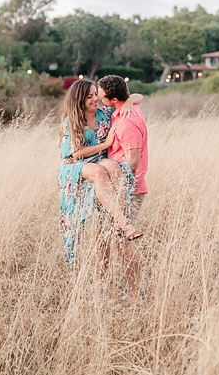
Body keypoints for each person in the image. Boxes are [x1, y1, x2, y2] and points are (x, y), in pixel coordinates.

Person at [58, 80, 144, 268]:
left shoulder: (105, 114)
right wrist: (105, 145)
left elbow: (138, 97)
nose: (95, 99)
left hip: (99, 161)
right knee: (98, 170)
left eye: (95, 94)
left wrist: (129, 101)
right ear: (79, 99)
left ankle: (117, 218)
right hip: (76, 165)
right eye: (89, 97)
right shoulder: (71, 122)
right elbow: (76, 153)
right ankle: (123, 221)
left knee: (113, 166)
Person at [97, 75, 150, 224]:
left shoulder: (127, 122)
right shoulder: (128, 108)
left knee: (122, 237)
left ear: (114, 100)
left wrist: (117, 190)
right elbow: (138, 96)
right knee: (112, 236)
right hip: (118, 188)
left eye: (102, 98)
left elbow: (132, 162)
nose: (100, 101)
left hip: (127, 190)